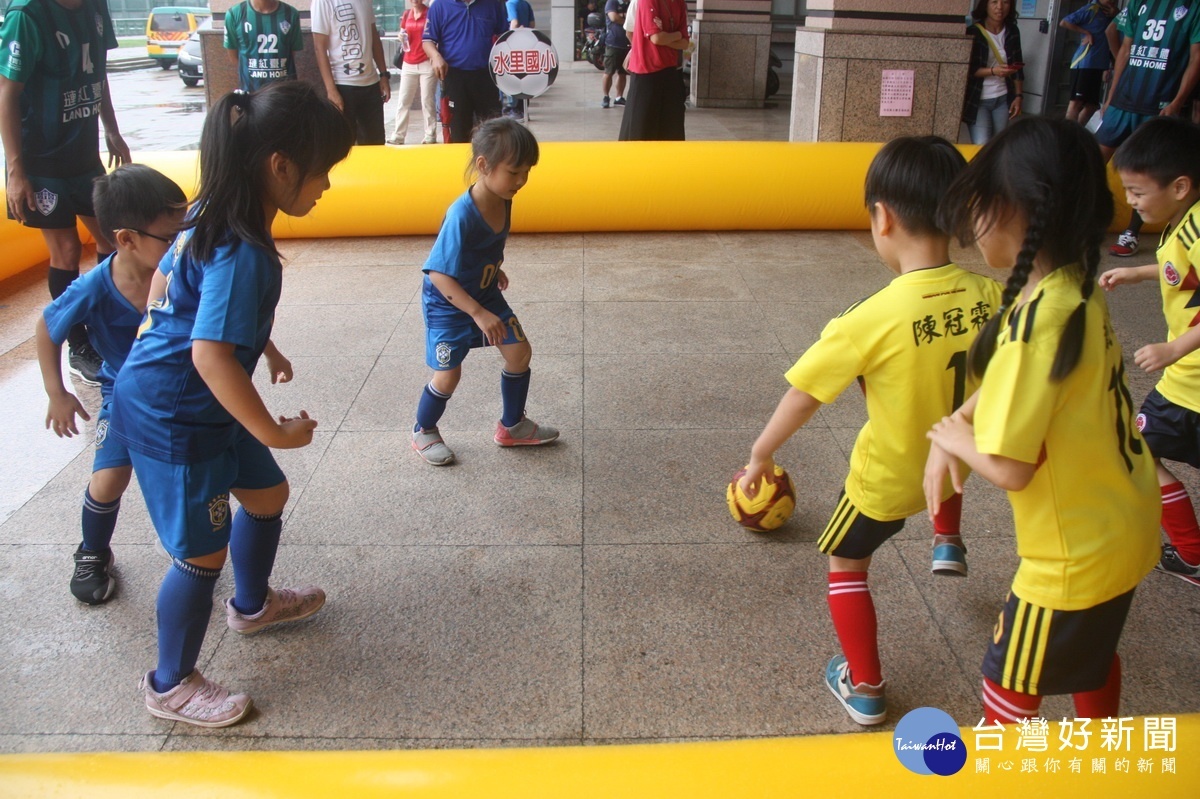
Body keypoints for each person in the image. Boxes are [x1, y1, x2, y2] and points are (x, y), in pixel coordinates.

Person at [110, 81, 354, 727]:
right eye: (321, 172)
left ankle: (251, 606)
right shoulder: (244, 247)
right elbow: (209, 354)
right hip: (178, 413)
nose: (325, 186)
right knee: (199, 552)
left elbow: (172, 288)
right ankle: (169, 682)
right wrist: (272, 430)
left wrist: (261, 346)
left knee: (267, 496)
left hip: (201, 398)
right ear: (279, 166)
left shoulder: (212, 208)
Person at [738, 136, 1001, 726]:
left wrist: (761, 453)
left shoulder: (870, 318)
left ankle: (865, 687)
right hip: (963, 455)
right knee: (947, 454)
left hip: (886, 478)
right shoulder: (990, 297)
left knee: (845, 561)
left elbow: (803, 397)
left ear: (882, 218)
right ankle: (947, 542)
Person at [925, 117, 1160, 725]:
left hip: (1070, 556)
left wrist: (952, 437)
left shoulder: (1039, 323)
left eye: (980, 207)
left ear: (1019, 211)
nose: (973, 226)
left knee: (1007, 680)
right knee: (1093, 652)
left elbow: (1009, 467)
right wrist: (963, 415)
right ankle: (1101, 751)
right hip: (1123, 517)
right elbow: (1017, 370)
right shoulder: (1072, 285)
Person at [36, 165, 186, 605]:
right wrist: (56, 392)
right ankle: (92, 551)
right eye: (170, 236)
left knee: (195, 471)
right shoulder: (93, 288)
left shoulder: (181, 269)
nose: (181, 243)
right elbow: (47, 330)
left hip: (180, 393)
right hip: (123, 397)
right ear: (126, 239)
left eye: (185, 231)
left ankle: (187, 544)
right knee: (108, 480)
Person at [412, 117, 558, 466]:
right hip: (448, 304)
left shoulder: (504, 196)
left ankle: (513, 426)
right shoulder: (461, 215)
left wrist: (494, 267)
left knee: (519, 352)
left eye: (527, 172)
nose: (521, 181)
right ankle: (423, 430)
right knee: (449, 375)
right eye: (514, 172)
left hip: (484, 292)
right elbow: (438, 274)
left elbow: (480, 248)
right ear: (483, 165)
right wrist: (477, 313)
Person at [0, 0, 131, 387]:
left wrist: (111, 127)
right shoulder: (27, 16)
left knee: (113, 238)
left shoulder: (94, 7)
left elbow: (97, 72)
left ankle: (111, 329)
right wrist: (15, 169)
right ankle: (79, 345)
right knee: (68, 252)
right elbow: (7, 91)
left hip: (84, 154)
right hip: (42, 160)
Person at [1098, 117, 1200, 586]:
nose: (1132, 203)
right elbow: (1177, 268)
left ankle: (1192, 555)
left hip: (1189, 383)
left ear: (1179, 186)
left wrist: (1174, 347)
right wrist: (1137, 273)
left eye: (1138, 193)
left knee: (1138, 450)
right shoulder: (1184, 220)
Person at [1097, 0, 1200, 257]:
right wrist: (1111, 95)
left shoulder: (1194, 6)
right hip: (1123, 100)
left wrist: (1177, 102)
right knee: (1093, 160)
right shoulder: (1138, 3)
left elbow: (1196, 55)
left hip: (1160, 104)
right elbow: (1125, 49)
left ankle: (1131, 233)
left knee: (1148, 172)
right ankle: (1077, 220)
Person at [423, 0, 509, 144]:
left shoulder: (493, 4)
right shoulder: (439, 5)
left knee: (493, 132)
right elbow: (427, 40)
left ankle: (492, 164)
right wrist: (436, 56)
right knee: (458, 130)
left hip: (486, 76)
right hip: (454, 76)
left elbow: (504, 36)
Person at [311, 0, 392, 145]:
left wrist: (384, 75)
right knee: (343, 144)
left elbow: (374, 37)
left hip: (371, 83)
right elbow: (319, 47)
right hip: (342, 84)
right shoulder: (323, 2)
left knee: (376, 142)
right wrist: (331, 90)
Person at [617, 0, 691, 141]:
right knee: (641, 131)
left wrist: (666, 37)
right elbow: (656, 38)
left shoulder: (679, 3)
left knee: (671, 131)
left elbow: (685, 42)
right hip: (646, 70)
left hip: (671, 70)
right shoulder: (646, 1)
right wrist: (675, 35)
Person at [961, 0, 1024, 146]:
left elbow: (1018, 66)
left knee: (1000, 144)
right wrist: (993, 71)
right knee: (982, 145)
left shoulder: (1012, 30)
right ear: (985, 5)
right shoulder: (974, 32)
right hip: (979, 99)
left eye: (1005, 2)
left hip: (1003, 97)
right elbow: (968, 69)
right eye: (994, 2)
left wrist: (1019, 96)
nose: (1000, 7)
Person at [223, 0, 304, 92]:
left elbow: (292, 53)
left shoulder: (291, 14)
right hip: (251, 95)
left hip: (284, 94)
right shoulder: (234, 14)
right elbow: (234, 56)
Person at [1059, 0, 1119, 126]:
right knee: (1076, 102)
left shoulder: (1111, 13)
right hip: (1085, 62)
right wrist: (1085, 32)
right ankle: (1068, 135)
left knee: (1092, 105)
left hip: (1099, 65)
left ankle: (1077, 134)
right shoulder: (1092, 9)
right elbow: (1065, 22)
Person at [390, 0, 438, 145]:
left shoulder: (430, 13)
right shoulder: (406, 14)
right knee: (403, 101)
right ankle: (398, 135)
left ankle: (430, 134)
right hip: (408, 62)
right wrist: (401, 36)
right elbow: (403, 32)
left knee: (427, 101)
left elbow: (436, 35)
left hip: (426, 62)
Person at [503, 0, 535, 119]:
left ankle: (514, 108)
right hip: (525, 45)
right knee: (524, 77)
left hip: (514, 46)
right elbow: (532, 24)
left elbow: (514, 22)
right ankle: (524, 109)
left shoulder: (511, 3)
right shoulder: (525, 4)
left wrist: (509, 37)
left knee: (512, 76)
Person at [601, 0, 630, 109]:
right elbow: (613, 17)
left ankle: (619, 97)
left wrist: (622, 18)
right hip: (613, 43)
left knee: (623, 73)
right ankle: (606, 96)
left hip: (627, 43)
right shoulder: (612, 2)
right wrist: (627, 20)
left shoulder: (631, 3)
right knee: (609, 71)